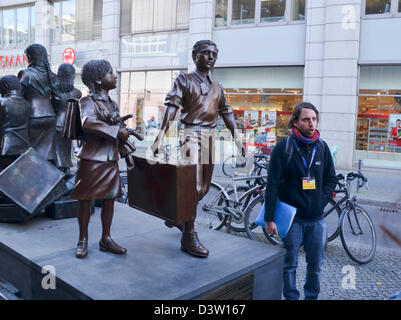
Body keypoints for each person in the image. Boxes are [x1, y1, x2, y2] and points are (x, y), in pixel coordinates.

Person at [151, 40, 245, 258]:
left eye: (214, 54)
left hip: (210, 137)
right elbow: (172, 108)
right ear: (195, 56)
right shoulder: (184, 79)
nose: (210, 57)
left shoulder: (217, 87)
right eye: (205, 53)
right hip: (190, 135)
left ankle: (177, 216)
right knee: (192, 185)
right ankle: (188, 235)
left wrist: (237, 138)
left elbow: (226, 112)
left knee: (202, 188)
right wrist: (159, 138)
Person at [264, 102, 337, 300]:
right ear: (295, 122)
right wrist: (270, 219)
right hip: (292, 220)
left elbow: (332, 179)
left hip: (316, 221)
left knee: (315, 267)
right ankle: (291, 298)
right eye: (306, 119)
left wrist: (320, 202)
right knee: (289, 265)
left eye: (314, 119)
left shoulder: (322, 147)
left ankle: (311, 297)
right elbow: (272, 185)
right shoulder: (283, 148)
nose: (311, 123)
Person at [70, 60, 134, 258]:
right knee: (85, 199)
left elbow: (119, 133)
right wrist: (117, 132)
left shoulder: (112, 103)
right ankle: (82, 239)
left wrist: (126, 153)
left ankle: (106, 238)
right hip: (91, 159)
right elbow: (88, 123)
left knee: (110, 200)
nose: (115, 77)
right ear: (98, 79)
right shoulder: (87, 101)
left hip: (110, 159)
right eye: (110, 73)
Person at [18, 44, 57, 163]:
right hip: (50, 116)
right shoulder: (52, 76)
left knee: (31, 151)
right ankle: (49, 177)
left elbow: (19, 96)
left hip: (32, 116)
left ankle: (33, 178)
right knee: (48, 151)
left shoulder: (25, 74)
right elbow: (56, 98)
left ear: (30, 57)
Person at [52, 63, 82, 172]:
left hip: (56, 123)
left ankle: (59, 171)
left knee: (56, 151)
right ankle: (65, 170)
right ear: (72, 76)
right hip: (68, 125)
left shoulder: (55, 92)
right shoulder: (77, 93)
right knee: (65, 150)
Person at [0, 75, 31, 170]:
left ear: (4, 87)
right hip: (24, 147)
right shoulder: (27, 104)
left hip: (5, 148)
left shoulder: (2, 102)